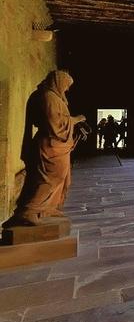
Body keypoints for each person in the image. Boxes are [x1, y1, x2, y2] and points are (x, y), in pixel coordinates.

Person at [6, 70, 88, 226]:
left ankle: (47, 208)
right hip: (51, 146)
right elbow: (55, 124)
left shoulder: (51, 96)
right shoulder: (48, 97)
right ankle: (28, 211)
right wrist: (77, 119)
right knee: (49, 178)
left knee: (62, 178)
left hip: (56, 145)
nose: (67, 89)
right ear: (58, 81)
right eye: (66, 85)